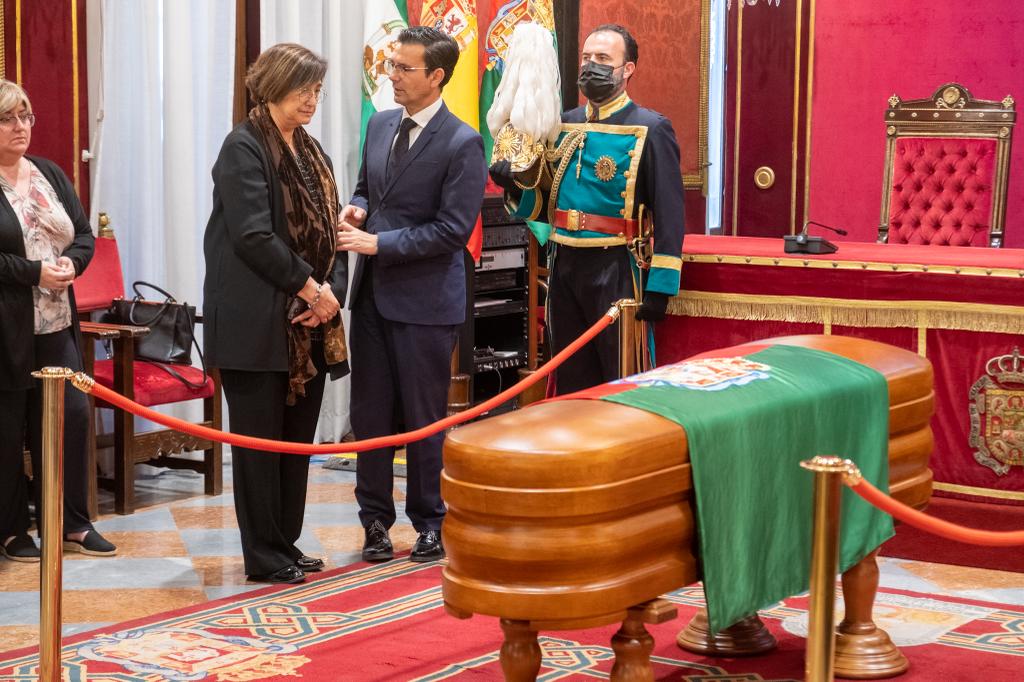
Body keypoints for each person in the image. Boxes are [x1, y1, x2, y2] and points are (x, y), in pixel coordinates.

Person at [338, 26, 487, 564]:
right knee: (370, 414)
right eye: (391, 65)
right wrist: (357, 206)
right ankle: (374, 521)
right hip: (372, 296)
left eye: (404, 68)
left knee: (425, 418)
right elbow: (367, 186)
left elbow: (452, 230)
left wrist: (377, 241)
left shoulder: (463, 141)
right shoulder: (379, 125)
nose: (391, 75)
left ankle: (430, 522)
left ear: (436, 76)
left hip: (426, 301)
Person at [203, 44, 349, 584]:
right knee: (260, 446)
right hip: (255, 323)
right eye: (303, 88)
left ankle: (284, 542)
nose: (313, 99)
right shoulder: (242, 147)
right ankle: (262, 553)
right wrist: (313, 290)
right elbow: (252, 236)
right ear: (273, 85)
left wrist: (328, 294)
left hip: (307, 320)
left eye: (317, 89)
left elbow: (333, 237)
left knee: (294, 442)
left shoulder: (315, 154)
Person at [491, 23, 686, 395]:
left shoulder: (651, 127)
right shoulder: (563, 123)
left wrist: (660, 288)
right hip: (563, 263)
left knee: (619, 378)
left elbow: (671, 214)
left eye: (603, 59)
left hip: (615, 267)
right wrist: (514, 184)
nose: (591, 66)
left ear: (627, 69)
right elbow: (544, 207)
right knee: (570, 376)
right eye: (586, 58)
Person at [0, 79, 116, 561]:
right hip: (6, 327)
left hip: (56, 323)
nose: (20, 127)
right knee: (9, 429)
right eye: (8, 118)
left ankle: (72, 521)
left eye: (26, 116)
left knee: (70, 416)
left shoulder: (48, 172)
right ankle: (11, 529)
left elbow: (84, 235)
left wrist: (73, 264)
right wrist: (34, 271)